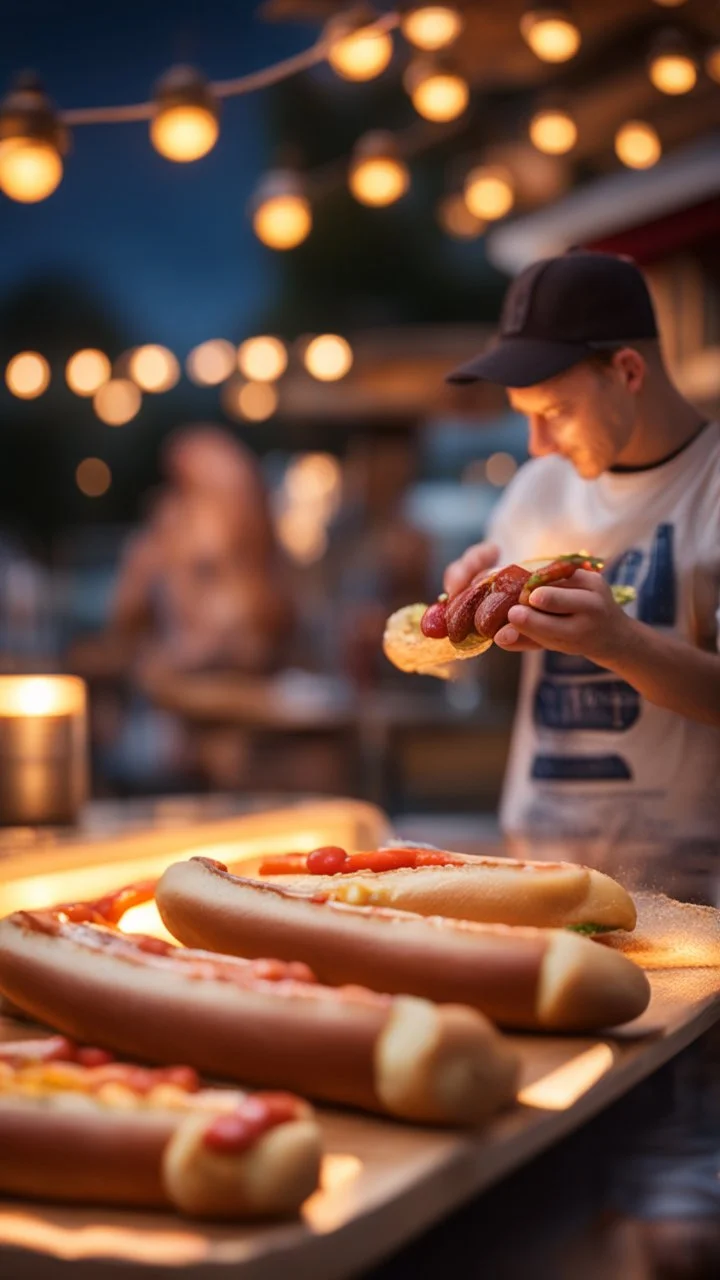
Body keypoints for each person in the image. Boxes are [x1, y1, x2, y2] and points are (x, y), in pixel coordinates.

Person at [443, 248, 720, 866]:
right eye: (526, 418)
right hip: (538, 854)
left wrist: (621, 643)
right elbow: (496, 681)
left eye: (556, 412)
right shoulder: (538, 489)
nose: (538, 447)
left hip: (692, 876)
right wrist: (463, 619)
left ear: (626, 371)